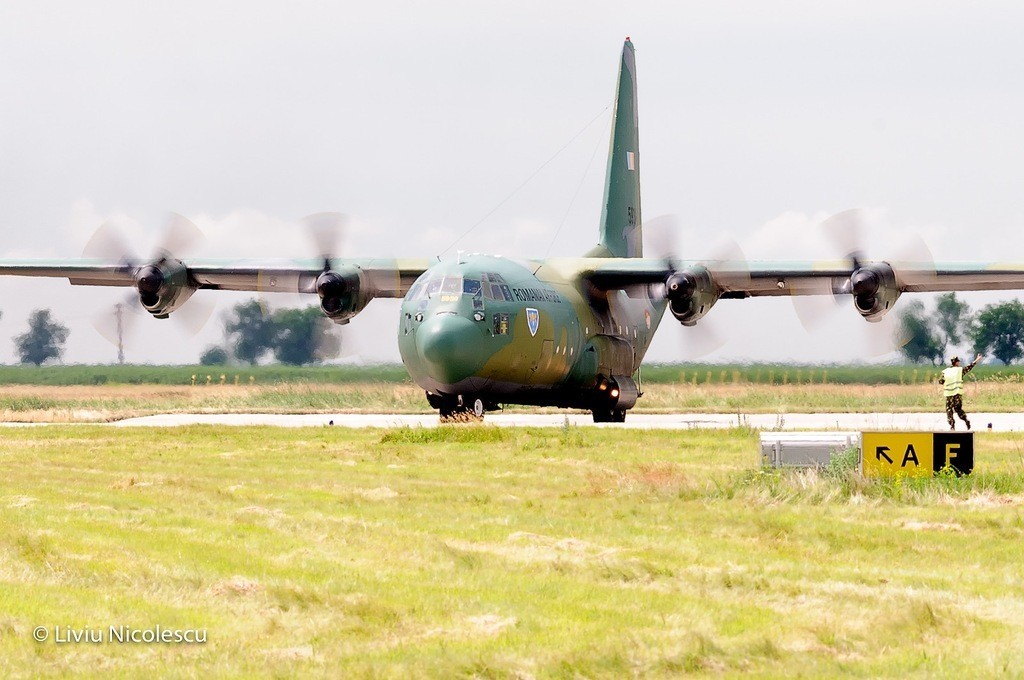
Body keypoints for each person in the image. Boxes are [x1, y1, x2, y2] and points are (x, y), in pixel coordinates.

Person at [938, 353, 982, 430]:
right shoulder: (960, 370)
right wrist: (976, 360)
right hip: (957, 394)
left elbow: (941, 381)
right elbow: (969, 367)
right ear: (957, 362)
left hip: (949, 394)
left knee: (949, 410)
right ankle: (965, 420)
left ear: (952, 362)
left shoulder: (945, 372)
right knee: (958, 409)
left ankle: (952, 426)